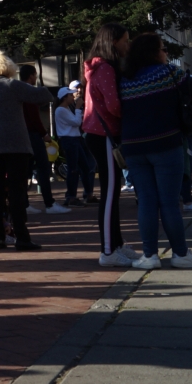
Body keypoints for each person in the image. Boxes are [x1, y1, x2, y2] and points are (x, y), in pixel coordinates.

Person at [118, 34, 192, 269]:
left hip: (133, 147)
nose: (166, 52)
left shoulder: (123, 79)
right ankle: (180, 254)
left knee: (146, 201)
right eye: (163, 48)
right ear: (154, 52)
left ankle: (149, 256)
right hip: (166, 144)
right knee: (169, 202)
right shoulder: (169, 73)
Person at [0, 51, 55, 251]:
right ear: (10, 69)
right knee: (17, 191)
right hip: (15, 146)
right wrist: (34, 84)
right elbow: (44, 96)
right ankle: (22, 237)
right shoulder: (13, 85)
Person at [83, 23, 139, 268]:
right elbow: (114, 105)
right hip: (103, 134)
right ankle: (108, 250)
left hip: (99, 133)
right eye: (125, 41)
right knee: (109, 195)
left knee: (112, 193)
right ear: (113, 42)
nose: (128, 45)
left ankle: (115, 244)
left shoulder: (97, 67)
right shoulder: (105, 68)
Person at [18, 65, 70, 215]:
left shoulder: (17, 91)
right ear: (31, 76)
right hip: (33, 135)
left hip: (21, 136)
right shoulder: (29, 92)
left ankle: (25, 204)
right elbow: (34, 117)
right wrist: (44, 134)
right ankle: (49, 203)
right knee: (43, 167)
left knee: (25, 171)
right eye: (35, 75)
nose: (36, 78)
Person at [55, 87, 94, 205]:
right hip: (69, 140)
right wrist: (77, 109)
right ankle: (71, 196)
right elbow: (76, 122)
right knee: (73, 169)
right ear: (64, 97)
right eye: (71, 95)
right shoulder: (61, 110)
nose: (73, 97)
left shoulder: (66, 109)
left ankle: (88, 194)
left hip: (74, 140)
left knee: (85, 168)